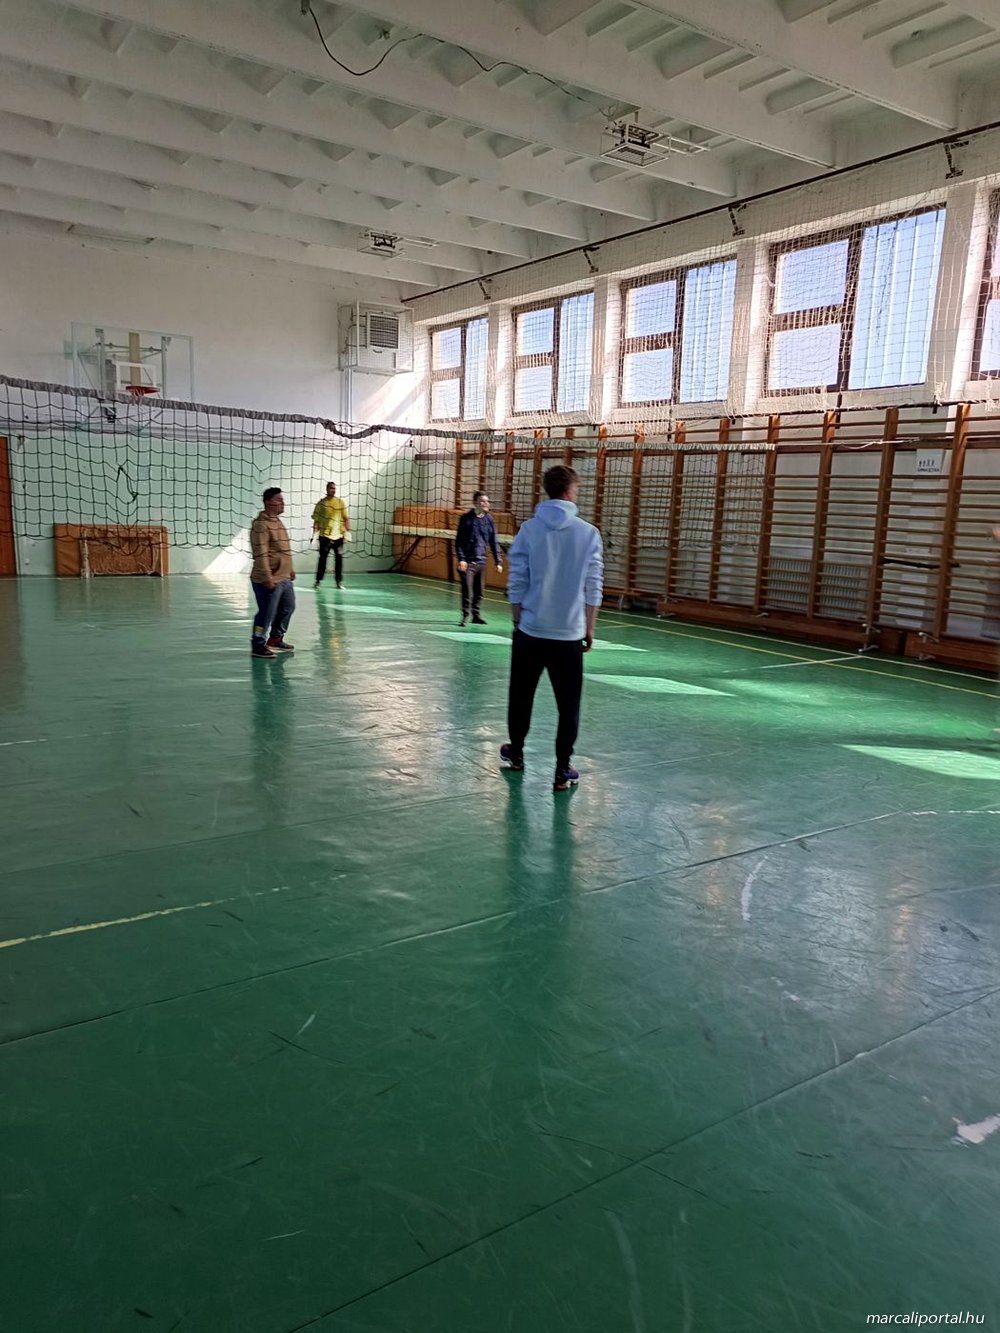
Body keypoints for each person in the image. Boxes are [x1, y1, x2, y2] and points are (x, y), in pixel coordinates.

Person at [500, 465, 604, 791]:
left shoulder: (529, 530)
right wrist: (589, 628)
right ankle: (562, 770)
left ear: (547, 490)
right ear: (571, 491)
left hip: (531, 631)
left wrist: (518, 619)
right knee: (568, 705)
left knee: (521, 696)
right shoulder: (588, 533)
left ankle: (517, 753)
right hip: (569, 635)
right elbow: (593, 586)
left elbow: (517, 580)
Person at [249, 487, 295, 658]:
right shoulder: (260, 525)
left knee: (288, 608)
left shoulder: (278, 522)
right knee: (266, 613)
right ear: (268, 503)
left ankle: (275, 638)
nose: (283, 503)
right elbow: (260, 553)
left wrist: (290, 569)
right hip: (268, 579)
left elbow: (283, 549)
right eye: (279, 500)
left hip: (284, 577)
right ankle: (258, 644)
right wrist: (267, 576)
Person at [455, 491, 503, 625]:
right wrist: (462, 559)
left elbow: (493, 541)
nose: (486, 504)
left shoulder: (489, 520)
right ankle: (465, 615)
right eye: (483, 501)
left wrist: (498, 561)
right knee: (467, 589)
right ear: (475, 503)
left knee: (479, 591)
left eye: (487, 501)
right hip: (468, 562)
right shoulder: (466, 519)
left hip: (481, 561)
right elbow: (459, 542)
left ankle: (476, 615)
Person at [312, 481, 351, 589]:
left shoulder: (340, 502)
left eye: (334, 488)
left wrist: (347, 533)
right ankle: (318, 581)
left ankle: (339, 582)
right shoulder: (321, 504)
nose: (333, 490)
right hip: (324, 536)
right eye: (331, 488)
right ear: (327, 489)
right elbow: (316, 521)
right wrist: (314, 535)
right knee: (322, 559)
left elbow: (345, 518)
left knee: (339, 559)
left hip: (339, 536)